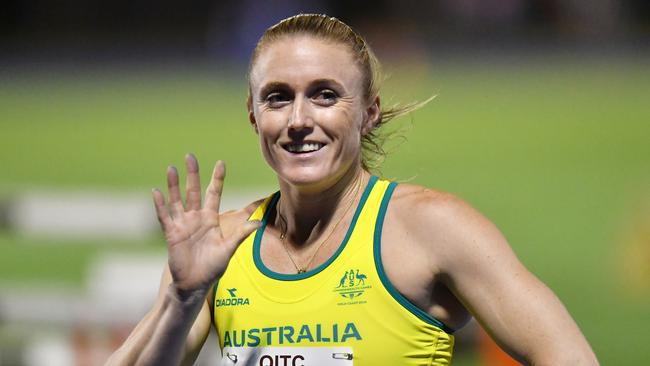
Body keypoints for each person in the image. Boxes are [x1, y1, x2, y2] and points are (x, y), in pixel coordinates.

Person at [106, 14, 598, 366]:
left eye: (325, 95)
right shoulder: (222, 247)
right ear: (254, 115)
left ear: (368, 112)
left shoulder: (432, 228)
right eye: (278, 97)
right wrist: (183, 299)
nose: (299, 120)